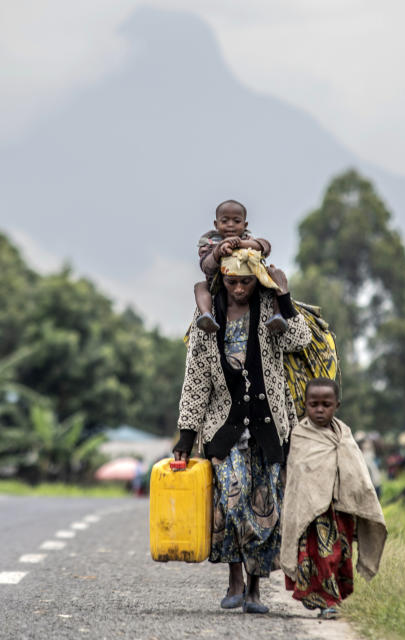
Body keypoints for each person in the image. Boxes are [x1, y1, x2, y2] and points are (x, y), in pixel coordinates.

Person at [174, 254, 311, 614]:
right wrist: (186, 437)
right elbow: (196, 381)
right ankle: (234, 579)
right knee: (232, 506)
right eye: (232, 282)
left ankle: (253, 590)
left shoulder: (271, 311)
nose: (238, 289)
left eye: (246, 282)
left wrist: (283, 297)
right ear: (223, 278)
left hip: (269, 428)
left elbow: (300, 339)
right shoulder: (207, 317)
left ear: (257, 281)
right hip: (224, 429)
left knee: (265, 511)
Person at [281, 378, 387, 620]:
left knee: (340, 556)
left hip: (341, 510)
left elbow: (357, 474)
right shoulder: (300, 435)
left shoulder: (344, 435)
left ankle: (335, 599)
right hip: (314, 514)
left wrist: (357, 501)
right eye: (313, 404)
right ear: (305, 405)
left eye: (326, 404)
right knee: (321, 557)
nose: (319, 409)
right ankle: (327, 601)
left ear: (337, 405)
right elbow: (298, 480)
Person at [194, 199, 287, 334]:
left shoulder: (247, 238)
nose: (230, 225)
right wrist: (218, 250)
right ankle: (207, 315)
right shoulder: (210, 242)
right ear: (216, 224)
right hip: (218, 284)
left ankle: (278, 315)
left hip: (254, 280)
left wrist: (240, 244)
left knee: (275, 277)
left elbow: (265, 246)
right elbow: (206, 266)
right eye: (224, 221)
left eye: (237, 221)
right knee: (200, 287)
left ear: (245, 224)